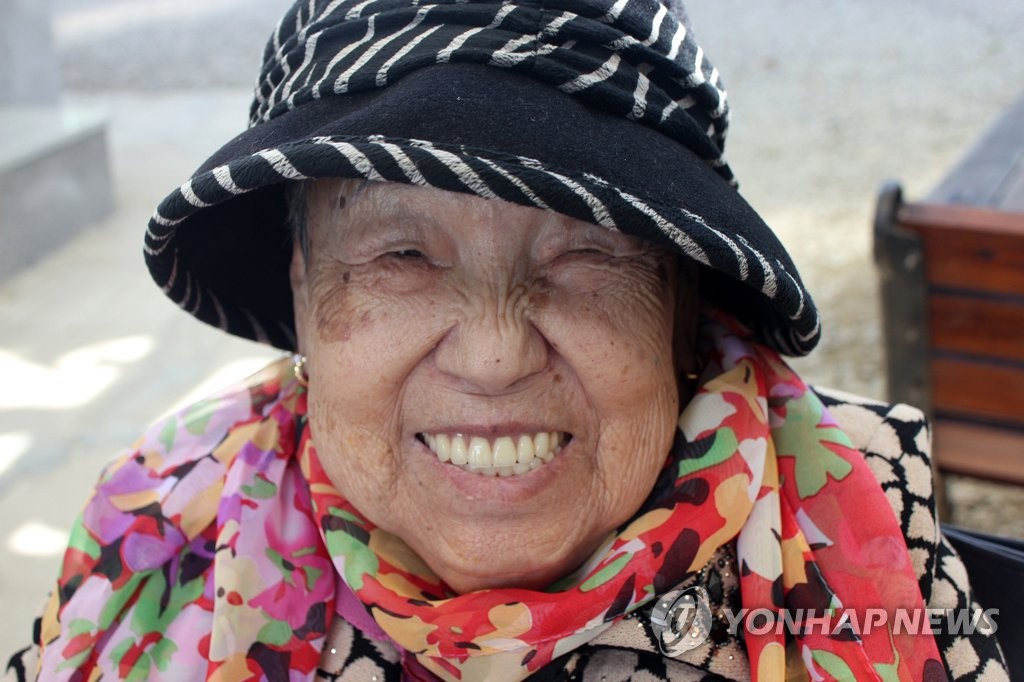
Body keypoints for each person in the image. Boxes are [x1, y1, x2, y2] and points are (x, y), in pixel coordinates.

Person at [5, 0, 1009, 680]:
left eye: (587, 253)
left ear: (678, 304)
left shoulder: (869, 519)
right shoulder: (152, 532)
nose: (494, 356)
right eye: (401, 253)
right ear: (303, 285)